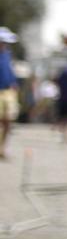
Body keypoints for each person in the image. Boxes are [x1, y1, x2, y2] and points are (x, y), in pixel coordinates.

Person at [0, 28, 17, 162]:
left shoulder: (7, 54)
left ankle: (2, 148)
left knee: (8, 121)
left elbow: (9, 70)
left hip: (8, 92)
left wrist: (13, 83)